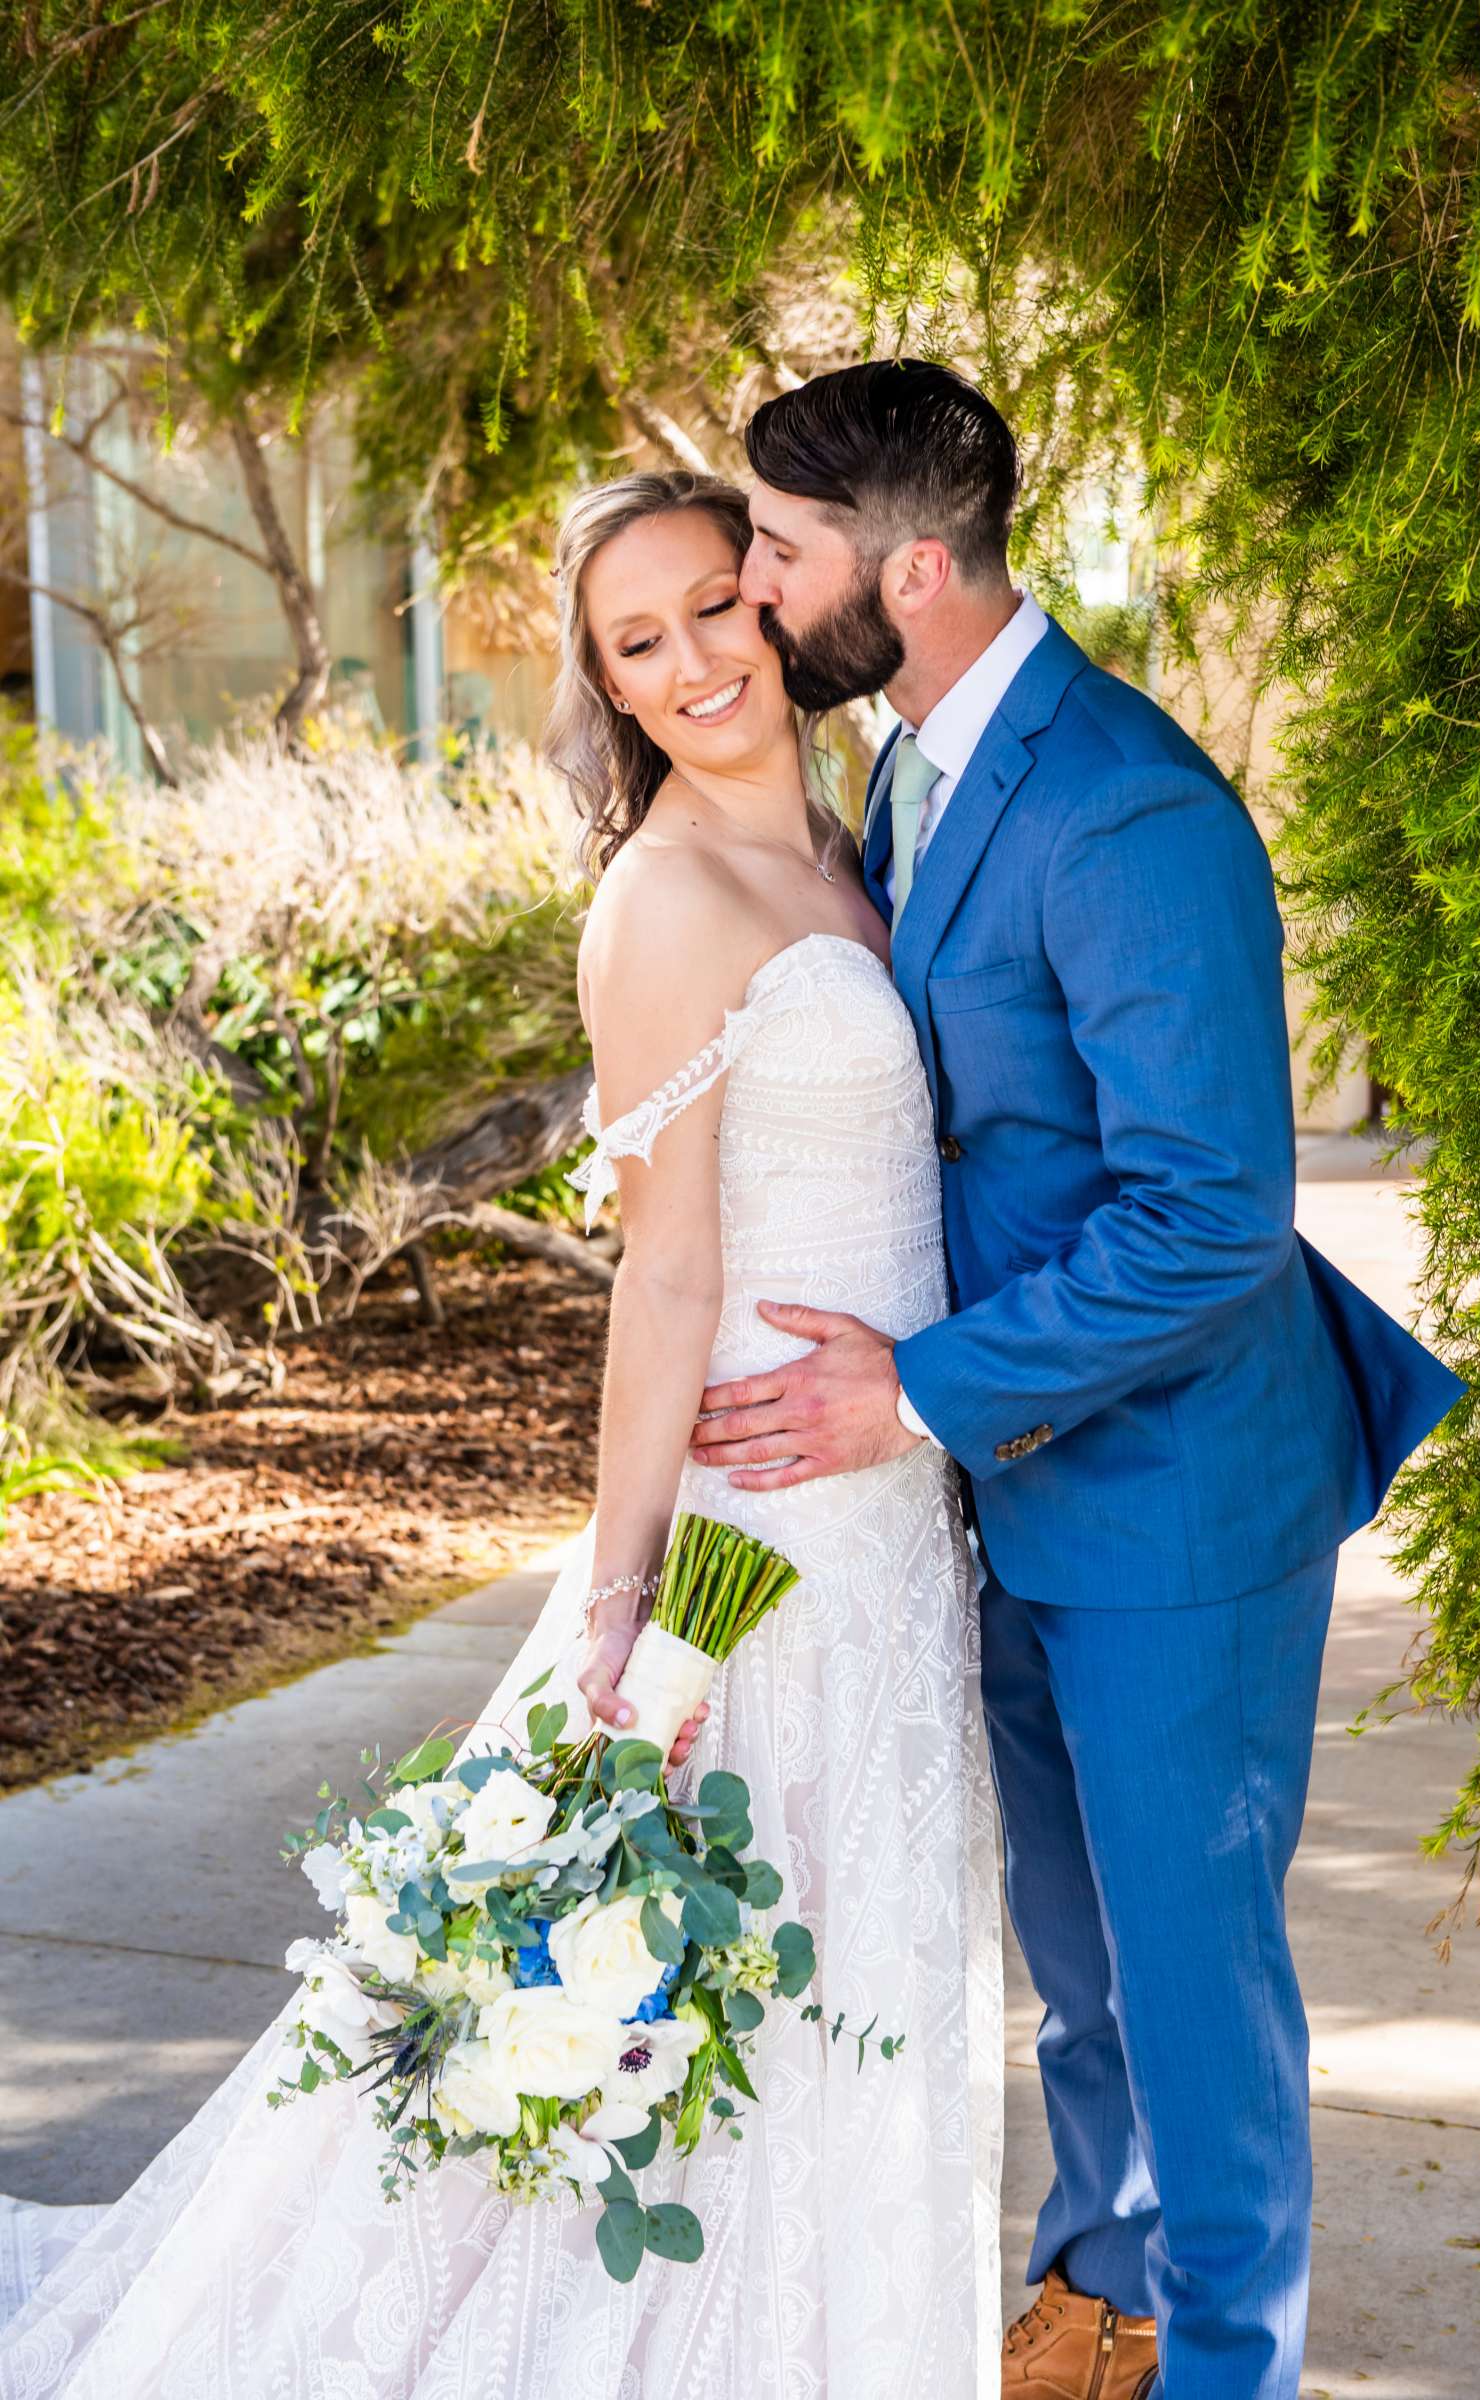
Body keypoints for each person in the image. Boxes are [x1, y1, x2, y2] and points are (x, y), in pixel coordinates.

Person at [0, 467, 1005, 2397]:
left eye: (717, 605)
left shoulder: (856, 847)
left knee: (842, 1986)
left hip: (896, 1516)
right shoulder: (661, 901)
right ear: (607, 689)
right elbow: (663, 1280)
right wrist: (620, 1604)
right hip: (757, 1532)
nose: (697, 660)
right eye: (640, 642)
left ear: (777, 604)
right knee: (676, 1989)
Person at [687, 357, 1466, 2400]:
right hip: (1019, 1487)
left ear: (914, 569)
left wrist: (919, 1393)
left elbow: (1209, 1214)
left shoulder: (1127, 805)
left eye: (780, 551)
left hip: (1182, 1502)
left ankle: (1229, 2366)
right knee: (1084, 1968)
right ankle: (1100, 2300)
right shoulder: (921, 766)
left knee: (1192, 1986)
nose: (755, 593)